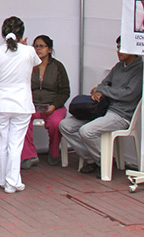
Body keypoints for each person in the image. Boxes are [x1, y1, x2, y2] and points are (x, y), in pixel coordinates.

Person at [60, 36, 143, 175]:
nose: (118, 51)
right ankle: (94, 159)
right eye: (117, 47)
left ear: (132, 49)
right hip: (103, 109)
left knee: (87, 131)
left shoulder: (140, 69)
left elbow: (128, 94)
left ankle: (104, 163)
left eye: (122, 48)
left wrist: (103, 90)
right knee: (65, 125)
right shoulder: (118, 67)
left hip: (121, 114)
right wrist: (99, 92)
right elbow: (104, 84)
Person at [0, 17, 41, 194]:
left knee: (1, 143)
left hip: (0, 103)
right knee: (16, 144)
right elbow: (34, 69)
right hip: (22, 104)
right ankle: (12, 182)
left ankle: (3, 180)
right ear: (22, 34)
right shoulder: (29, 51)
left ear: (3, 33)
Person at [21, 35, 70, 168]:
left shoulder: (58, 66)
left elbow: (65, 91)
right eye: (36, 46)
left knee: (56, 123)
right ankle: (29, 155)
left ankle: (54, 152)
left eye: (42, 46)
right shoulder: (28, 65)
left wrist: (54, 105)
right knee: (22, 119)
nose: (38, 49)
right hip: (33, 105)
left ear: (49, 49)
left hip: (53, 105)